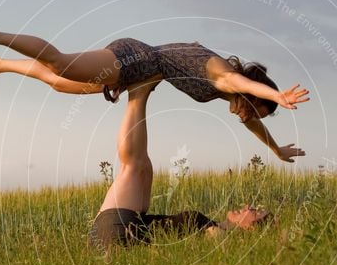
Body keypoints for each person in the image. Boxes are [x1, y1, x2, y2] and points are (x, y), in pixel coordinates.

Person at [0, 22, 307, 163]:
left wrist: (275, 149)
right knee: (60, 64)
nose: (246, 117)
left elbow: (251, 123)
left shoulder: (227, 95)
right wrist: (278, 97)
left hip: (139, 71)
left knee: (57, 82)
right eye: (253, 109)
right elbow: (244, 86)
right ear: (250, 98)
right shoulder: (225, 78)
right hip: (136, 58)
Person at [89, 78, 272, 252]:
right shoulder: (215, 227)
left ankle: (139, 91)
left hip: (119, 233)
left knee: (135, 167)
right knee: (142, 169)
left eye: (256, 213)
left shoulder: (219, 235)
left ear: (251, 229)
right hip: (117, 232)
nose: (249, 206)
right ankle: (139, 91)